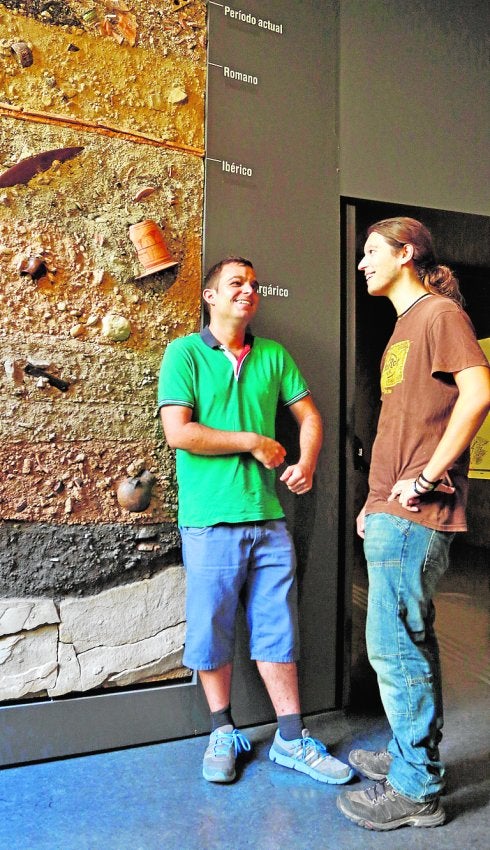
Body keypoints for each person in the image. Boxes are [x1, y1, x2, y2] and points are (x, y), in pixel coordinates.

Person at [158, 256, 354, 785]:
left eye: (253, 284)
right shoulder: (183, 354)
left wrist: (306, 462)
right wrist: (253, 441)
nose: (247, 291)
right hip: (208, 520)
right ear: (210, 297)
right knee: (212, 627)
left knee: (278, 626)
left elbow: (310, 416)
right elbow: (180, 432)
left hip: (268, 518)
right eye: (235, 284)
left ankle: (291, 739)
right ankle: (222, 731)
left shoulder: (273, 355)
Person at [337, 217, 490, 830]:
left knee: (395, 649)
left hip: (416, 513)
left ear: (407, 254)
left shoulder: (438, 315)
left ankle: (415, 789)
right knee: (408, 642)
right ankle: (412, 757)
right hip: (391, 513)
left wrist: (425, 478)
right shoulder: (404, 327)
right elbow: (404, 427)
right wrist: (374, 501)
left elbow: (478, 394)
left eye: (372, 252)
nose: (361, 263)